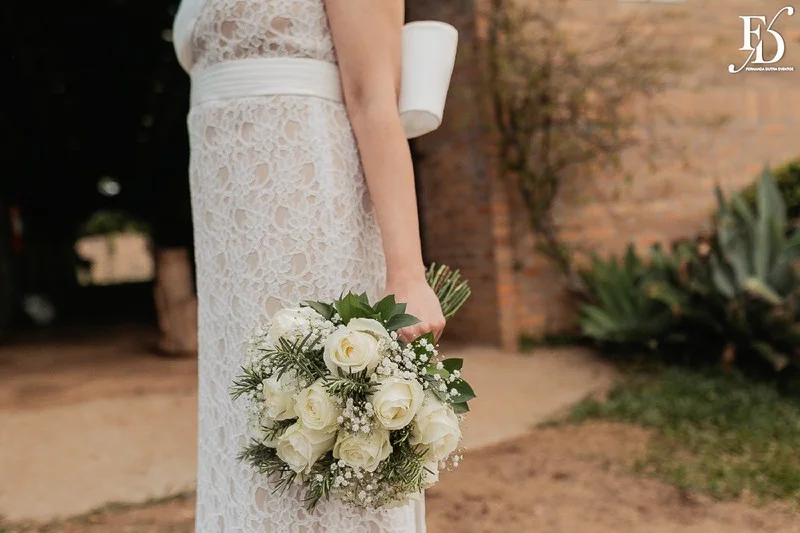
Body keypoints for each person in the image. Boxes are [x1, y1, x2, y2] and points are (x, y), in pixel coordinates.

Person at [174, 0, 446, 530]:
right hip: (230, 252)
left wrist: (407, 273)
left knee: (324, 438)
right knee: (249, 432)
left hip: (315, 226)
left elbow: (374, 101)